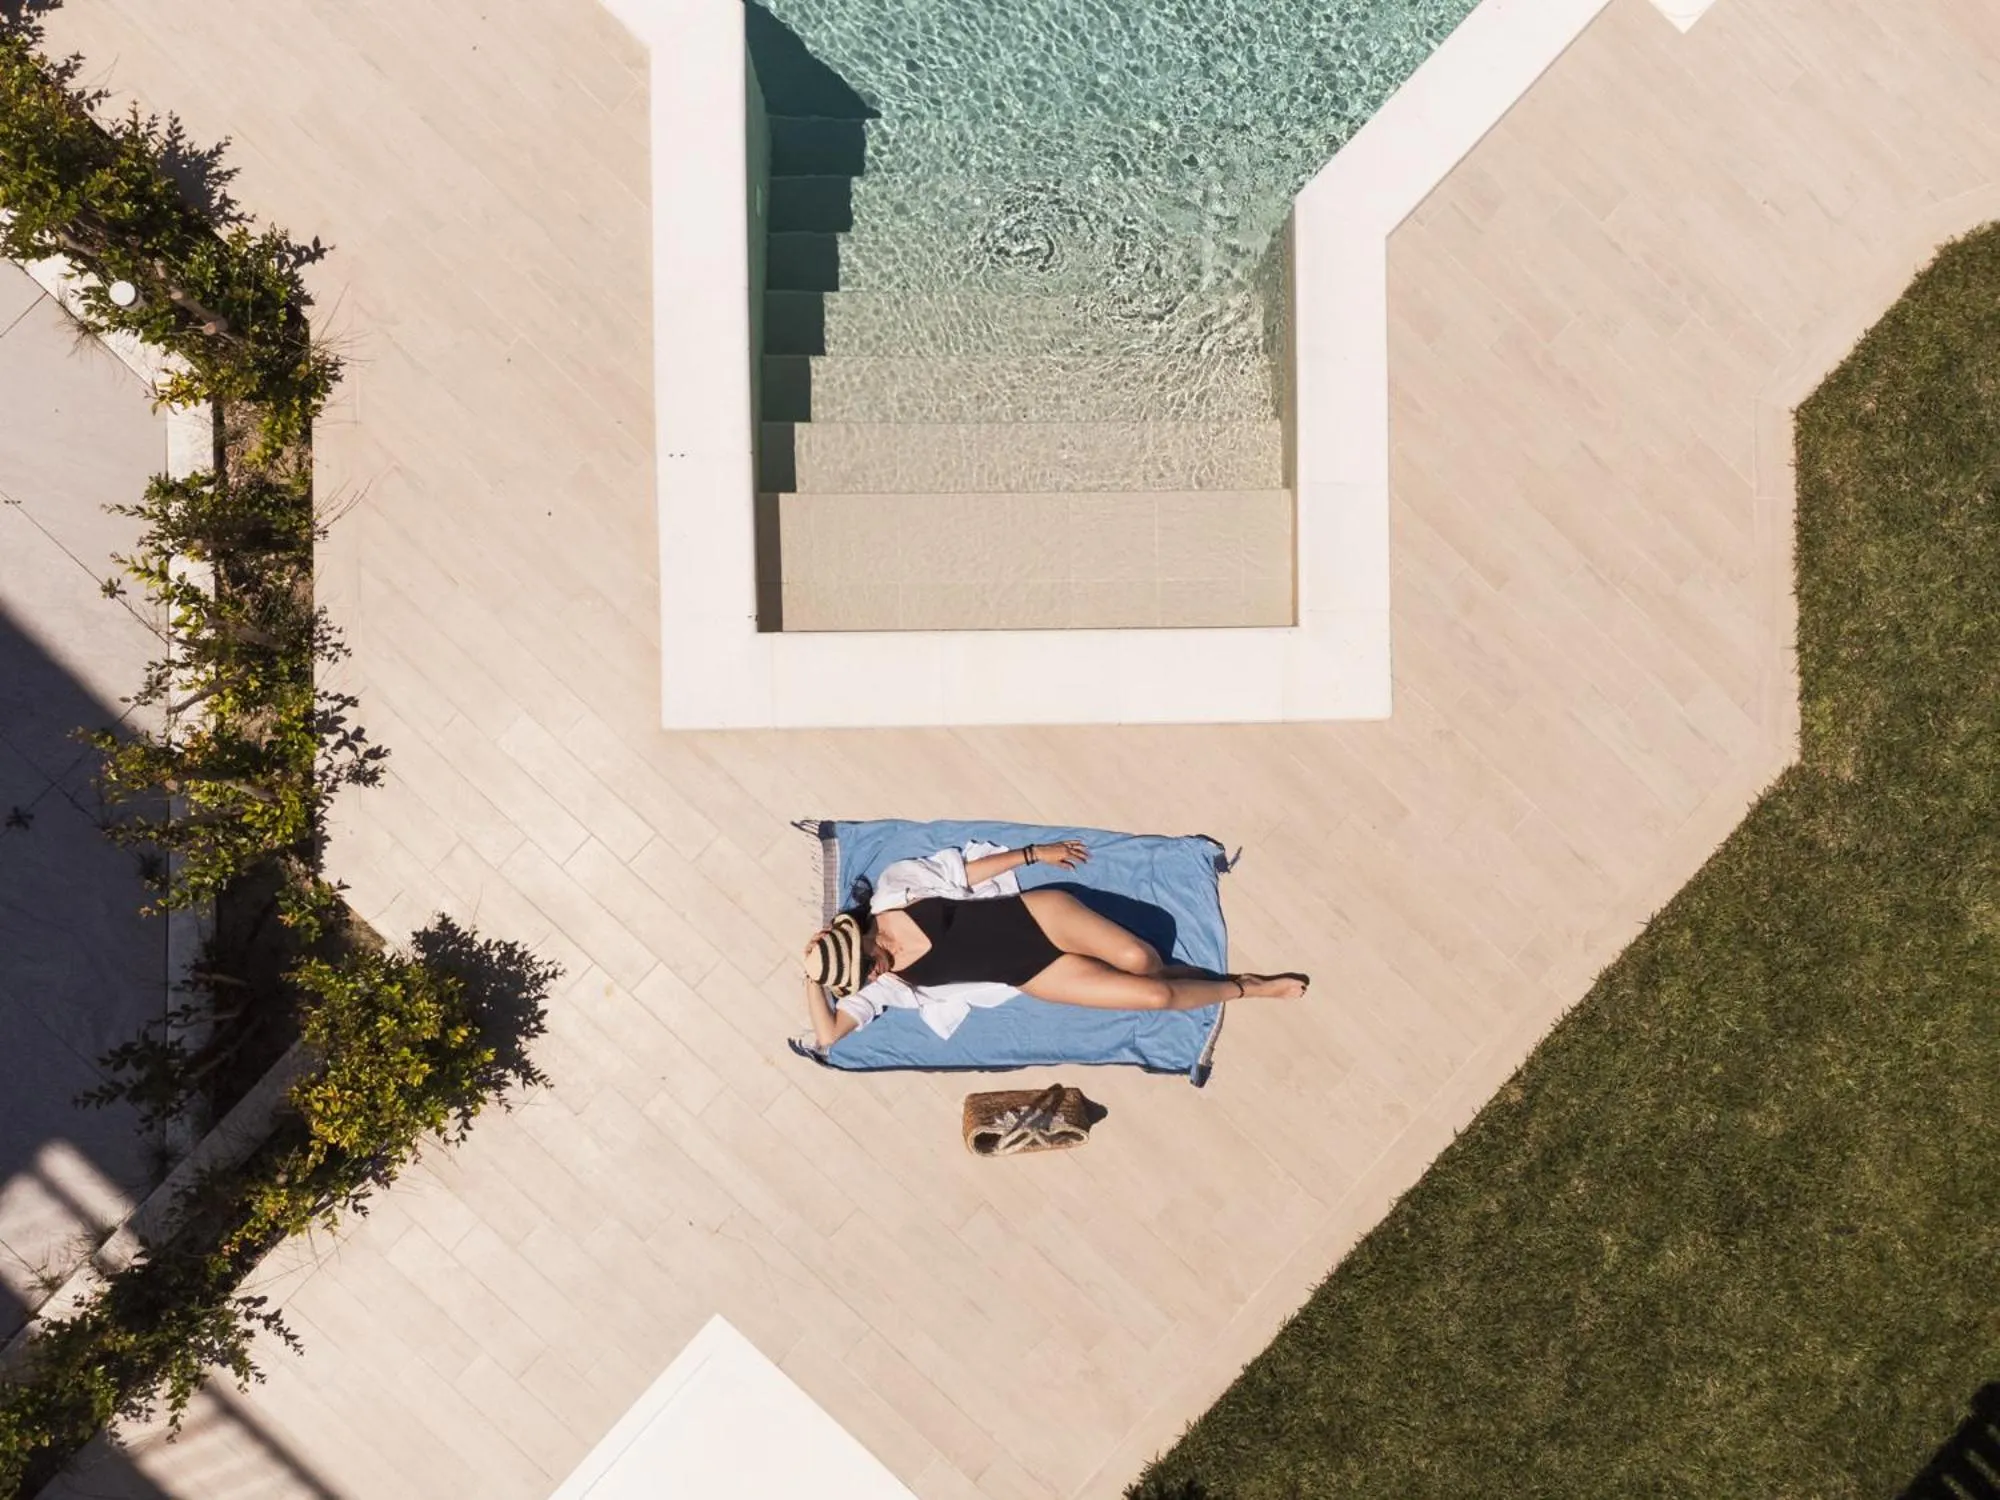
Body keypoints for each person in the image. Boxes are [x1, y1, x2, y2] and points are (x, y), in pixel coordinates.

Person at [801, 837, 1308, 1051]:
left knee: (1143, 962)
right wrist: (810, 978)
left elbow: (962, 874)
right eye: (859, 981)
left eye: (864, 966)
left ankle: (1216, 983)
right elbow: (828, 1037)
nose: (869, 978)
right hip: (1033, 973)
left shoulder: (896, 891)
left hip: (1039, 917)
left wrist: (1032, 853)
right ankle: (1247, 988)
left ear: (861, 939)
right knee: (1153, 997)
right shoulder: (886, 986)